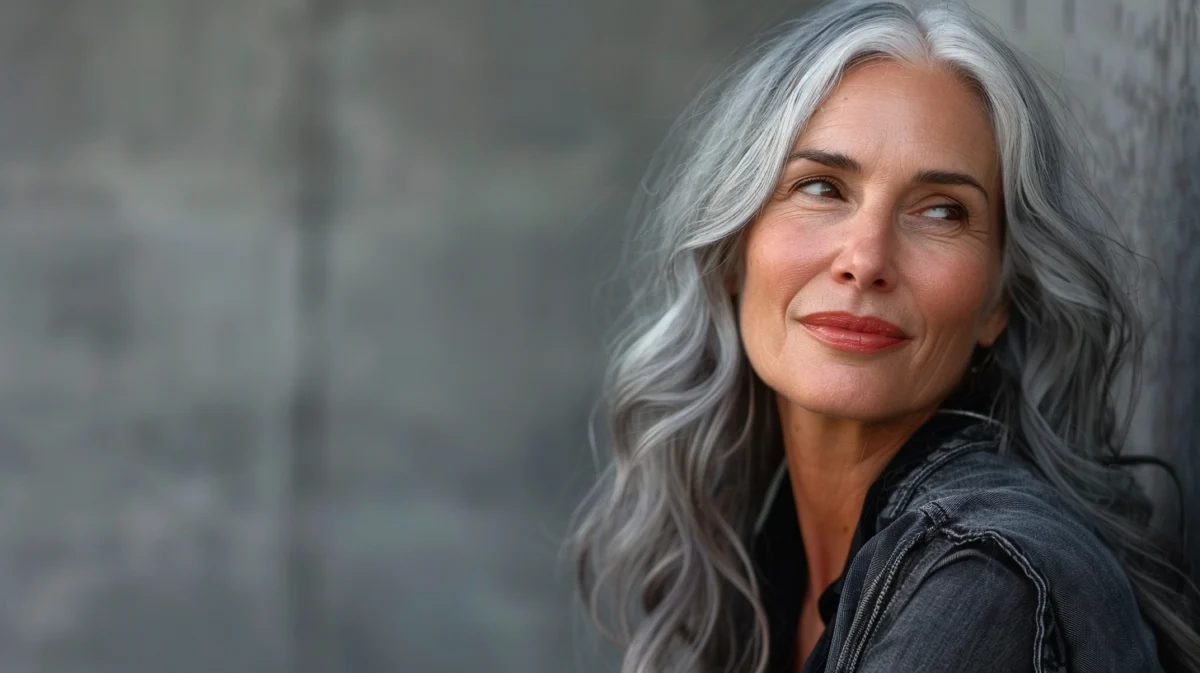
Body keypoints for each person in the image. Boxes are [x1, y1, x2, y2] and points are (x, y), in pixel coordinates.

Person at [564, 0, 1200, 671]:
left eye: (941, 210)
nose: (865, 259)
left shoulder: (985, 581)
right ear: (732, 250)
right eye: (821, 188)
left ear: (998, 300)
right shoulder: (760, 550)